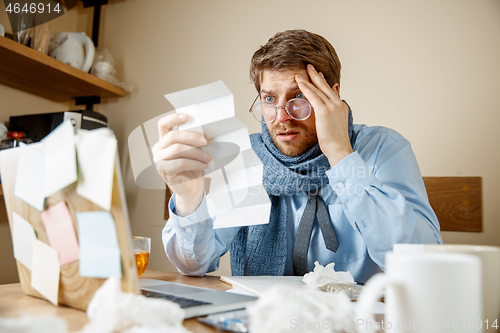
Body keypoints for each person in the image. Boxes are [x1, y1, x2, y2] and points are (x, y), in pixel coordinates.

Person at [153, 29, 442, 283]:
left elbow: (421, 260)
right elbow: (194, 264)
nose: (281, 117)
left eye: (299, 96)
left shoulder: (382, 149)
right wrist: (189, 197)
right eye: (269, 99)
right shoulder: (247, 157)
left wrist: (341, 155)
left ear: (332, 96)